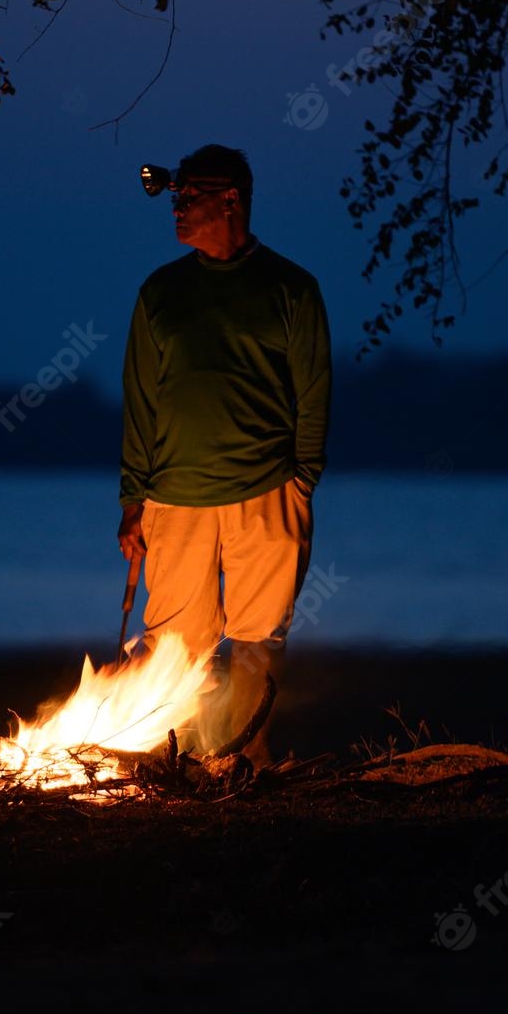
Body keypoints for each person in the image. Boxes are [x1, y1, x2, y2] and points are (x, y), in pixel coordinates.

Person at [117, 143, 332, 765]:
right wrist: (133, 498)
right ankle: (164, 764)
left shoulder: (291, 288)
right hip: (172, 495)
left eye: (190, 199)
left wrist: (302, 480)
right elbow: (140, 401)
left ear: (231, 199)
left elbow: (313, 392)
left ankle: (245, 763)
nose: (177, 210)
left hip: (269, 490)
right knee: (172, 645)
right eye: (175, 199)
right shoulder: (160, 292)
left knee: (259, 639)